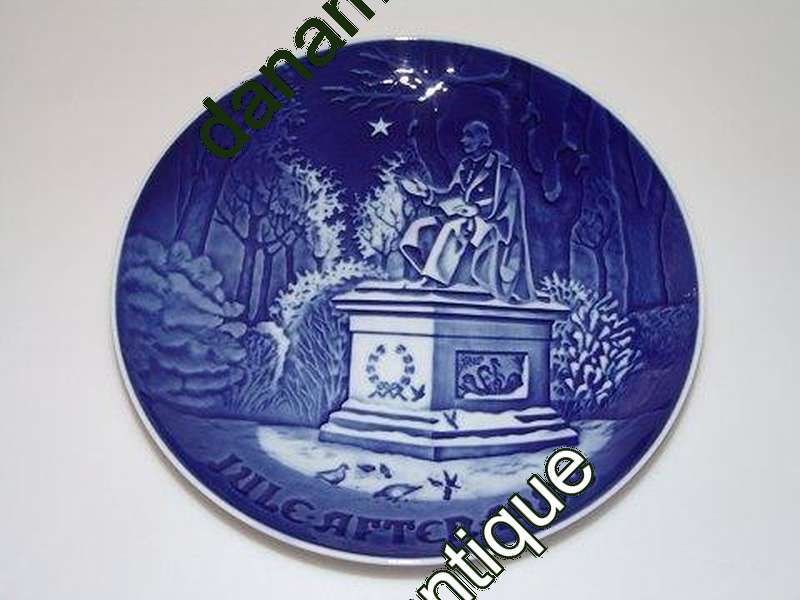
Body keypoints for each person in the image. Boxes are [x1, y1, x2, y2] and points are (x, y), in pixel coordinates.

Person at [398, 120, 535, 303]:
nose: (463, 140)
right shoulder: (466, 166)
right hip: (464, 217)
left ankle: (433, 279)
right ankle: (425, 272)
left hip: (493, 223)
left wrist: (477, 209)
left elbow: (509, 206)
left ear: (484, 140)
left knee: (454, 228)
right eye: (463, 136)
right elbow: (453, 194)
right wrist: (427, 193)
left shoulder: (503, 169)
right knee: (419, 226)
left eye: (469, 136)